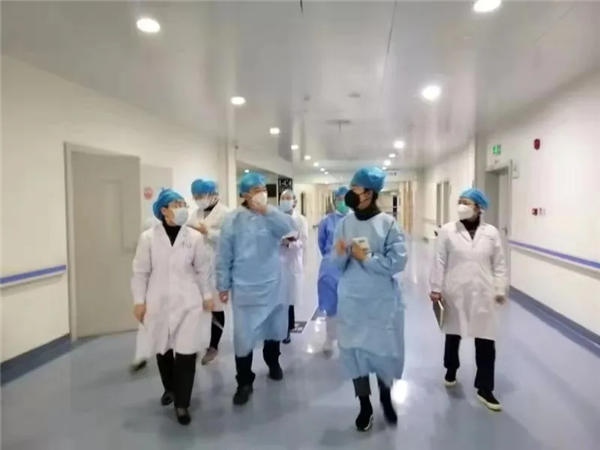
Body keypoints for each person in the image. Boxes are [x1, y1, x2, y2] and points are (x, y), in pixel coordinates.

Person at [333, 167, 407, 432]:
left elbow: (397, 262)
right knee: (355, 352)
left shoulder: (388, 224)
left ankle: (386, 399)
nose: (351, 193)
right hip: (352, 298)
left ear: (369, 193)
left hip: (381, 300)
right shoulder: (344, 223)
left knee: (382, 351)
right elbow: (336, 263)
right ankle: (364, 406)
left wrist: (367, 258)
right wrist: (341, 253)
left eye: (356, 188)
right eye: (351, 188)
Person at [131, 188, 214, 425]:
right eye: (176, 204)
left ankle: (182, 404)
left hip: (188, 303)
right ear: (164, 210)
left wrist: (207, 295)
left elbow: (202, 269)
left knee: (186, 353)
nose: (182, 208)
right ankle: (170, 388)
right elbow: (140, 272)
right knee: (163, 349)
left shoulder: (194, 237)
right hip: (158, 302)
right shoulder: (148, 238)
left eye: (183, 204)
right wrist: (139, 301)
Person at [216, 172, 295, 406]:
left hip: (272, 283)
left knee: (274, 328)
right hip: (245, 287)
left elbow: (289, 229)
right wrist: (223, 284)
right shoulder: (232, 220)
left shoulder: (273, 215)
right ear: (244, 194)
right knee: (243, 336)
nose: (261, 193)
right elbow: (224, 254)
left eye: (263, 189)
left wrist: (267, 211)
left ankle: (273, 363)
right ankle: (244, 381)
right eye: (255, 190)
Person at [429, 187, 507, 412]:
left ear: (478, 207)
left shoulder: (491, 233)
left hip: (483, 291)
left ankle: (485, 388)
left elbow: (499, 263)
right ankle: (451, 368)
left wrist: (500, 288)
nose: (461, 206)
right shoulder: (447, 230)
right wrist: (436, 288)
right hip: (454, 290)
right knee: (453, 333)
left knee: (486, 340)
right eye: (460, 201)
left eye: (466, 202)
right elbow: (439, 260)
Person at [188, 179, 231, 365]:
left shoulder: (226, 213)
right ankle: (191, 345)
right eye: (195, 196)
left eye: (201, 195)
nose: (198, 199)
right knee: (195, 308)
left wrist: (208, 232)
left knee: (216, 309)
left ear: (213, 194)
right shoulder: (195, 213)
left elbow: (230, 239)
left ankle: (213, 346)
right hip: (197, 268)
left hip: (217, 268)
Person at [317, 186, 349, 354]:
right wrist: (332, 257)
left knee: (350, 304)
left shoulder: (357, 220)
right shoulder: (327, 221)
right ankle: (330, 338)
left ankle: (347, 340)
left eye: (345, 199)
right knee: (331, 304)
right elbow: (322, 243)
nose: (342, 202)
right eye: (339, 199)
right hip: (331, 268)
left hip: (351, 266)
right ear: (335, 201)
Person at [278, 189, 308, 344]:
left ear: (294, 202)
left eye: (288, 198)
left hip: (292, 261)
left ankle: (288, 329)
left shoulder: (300, 220)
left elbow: (303, 241)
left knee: (288, 298)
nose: (285, 201)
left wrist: (289, 243)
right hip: (277, 262)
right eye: (283, 198)